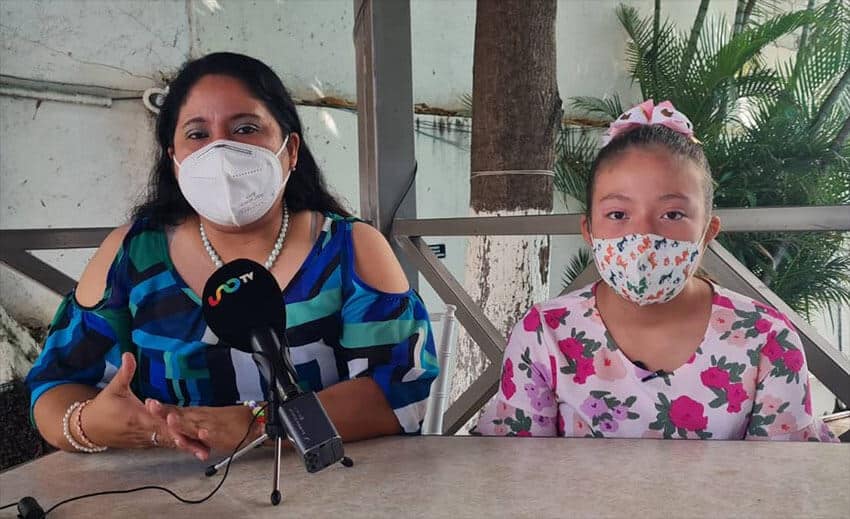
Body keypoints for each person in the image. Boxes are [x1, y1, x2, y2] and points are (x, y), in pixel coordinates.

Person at [26, 52, 439, 461]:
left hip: (328, 490)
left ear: (290, 150)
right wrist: (86, 424)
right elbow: (54, 385)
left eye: (245, 128)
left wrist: (262, 423)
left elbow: (399, 391)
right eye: (197, 134)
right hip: (169, 495)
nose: (221, 151)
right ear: (173, 160)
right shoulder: (131, 255)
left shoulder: (350, 250)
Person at [476, 100, 836, 441]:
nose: (643, 237)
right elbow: (516, 471)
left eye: (672, 215)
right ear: (589, 232)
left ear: (707, 232)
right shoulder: (544, 335)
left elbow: (782, 479)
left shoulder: (766, 339)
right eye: (618, 215)